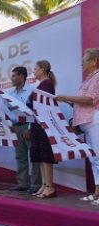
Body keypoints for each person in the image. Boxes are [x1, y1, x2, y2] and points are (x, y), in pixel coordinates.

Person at [55, 48, 99, 203]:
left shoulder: (98, 76)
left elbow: (90, 100)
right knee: (93, 159)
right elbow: (81, 101)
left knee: (98, 157)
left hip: (95, 119)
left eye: (84, 61)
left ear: (94, 62)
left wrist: (67, 97)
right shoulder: (88, 79)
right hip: (87, 122)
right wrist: (65, 100)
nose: (82, 64)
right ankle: (96, 193)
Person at [9, 66, 42, 193]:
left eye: (13, 76)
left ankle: (36, 184)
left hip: (29, 127)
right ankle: (22, 183)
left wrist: (30, 127)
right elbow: (9, 111)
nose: (11, 79)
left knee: (34, 157)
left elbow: (35, 110)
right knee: (20, 157)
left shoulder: (32, 90)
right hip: (16, 127)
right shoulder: (10, 94)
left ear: (21, 76)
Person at [30, 60, 57, 198]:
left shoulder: (46, 83)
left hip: (44, 124)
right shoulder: (40, 84)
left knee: (46, 156)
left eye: (35, 69)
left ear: (42, 69)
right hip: (37, 123)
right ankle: (44, 184)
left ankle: (49, 186)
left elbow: (43, 104)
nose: (33, 71)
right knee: (40, 156)